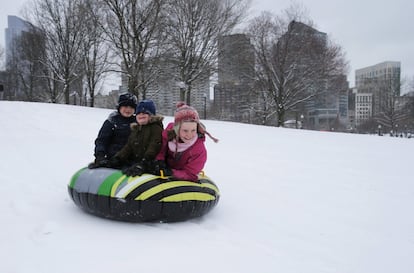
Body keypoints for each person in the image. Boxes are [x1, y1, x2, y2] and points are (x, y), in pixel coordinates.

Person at [151, 102, 218, 182]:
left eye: (193, 130)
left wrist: (172, 172)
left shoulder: (198, 149)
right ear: (177, 129)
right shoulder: (168, 135)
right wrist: (159, 161)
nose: (189, 135)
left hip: (182, 176)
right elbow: (161, 150)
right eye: (185, 130)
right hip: (165, 169)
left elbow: (190, 173)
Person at [109, 99, 164, 177]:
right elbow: (128, 147)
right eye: (138, 113)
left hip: (151, 164)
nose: (141, 115)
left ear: (151, 115)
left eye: (145, 113)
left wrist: (144, 162)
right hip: (137, 162)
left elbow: (154, 146)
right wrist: (118, 158)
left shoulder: (156, 128)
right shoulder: (136, 129)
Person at [88, 93, 137, 169]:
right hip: (112, 159)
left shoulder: (138, 122)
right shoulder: (112, 121)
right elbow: (101, 140)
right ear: (119, 107)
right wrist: (100, 156)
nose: (128, 109)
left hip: (132, 161)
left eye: (131, 107)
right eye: (125, 106)